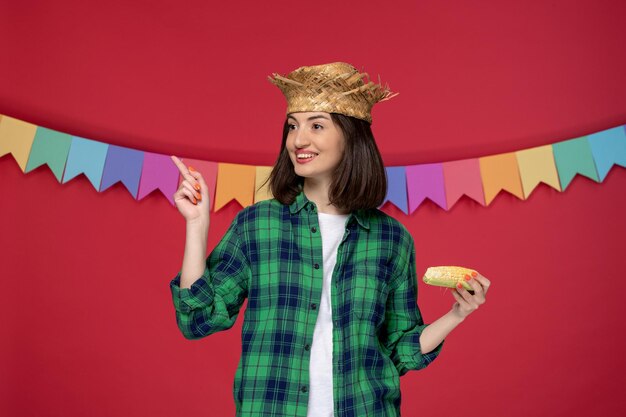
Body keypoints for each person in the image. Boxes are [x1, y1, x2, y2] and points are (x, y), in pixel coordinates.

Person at [168, 62, 491, 417]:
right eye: (293, 126)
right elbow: (197, 320)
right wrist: (196, 227)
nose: (298, 140)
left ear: (350, 138)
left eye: (316, 125)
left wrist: (457, 314)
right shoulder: (257, 225)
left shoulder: (390, 239)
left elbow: (399, 351)